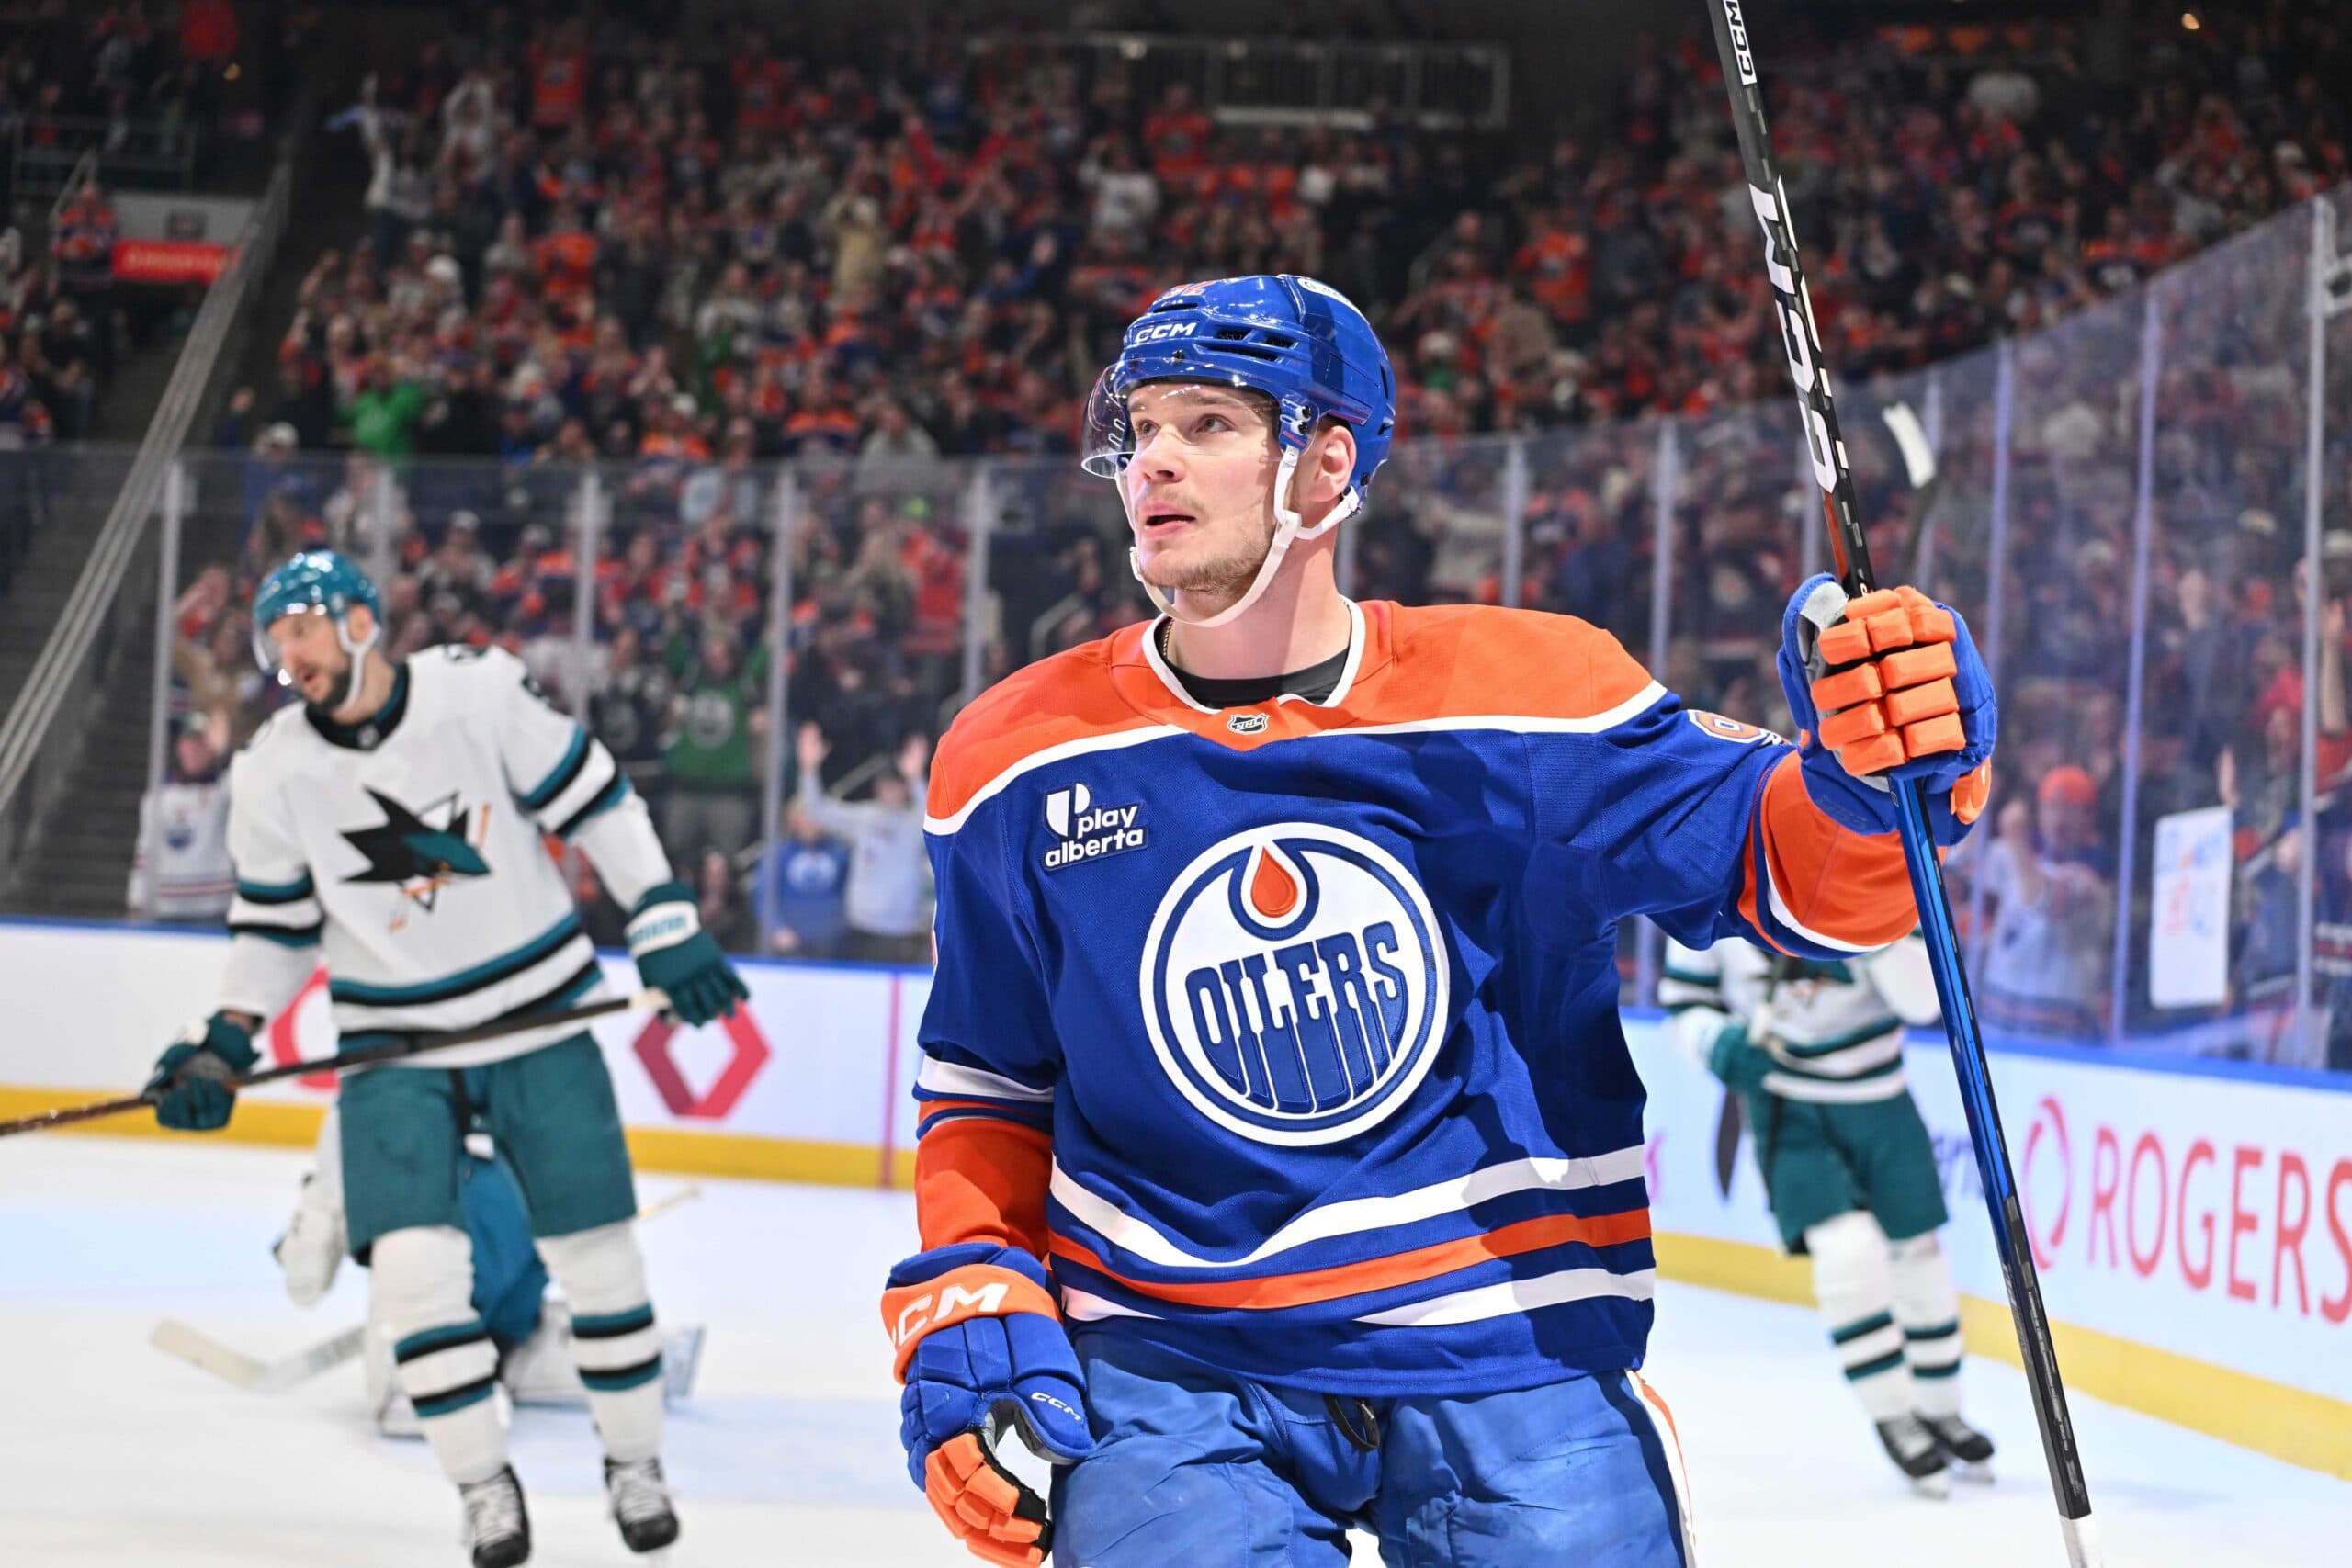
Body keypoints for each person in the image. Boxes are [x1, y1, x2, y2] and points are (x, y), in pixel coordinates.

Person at [884, 274, 1996, 1568]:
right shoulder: (1017, 756)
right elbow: (986, 1079)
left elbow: (1795, 877)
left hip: (1511, 1343)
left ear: (1327, 462)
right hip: (1171, 1356)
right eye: (1140, 428)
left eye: (1208, 422)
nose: (1154, 461)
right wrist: (978, 1273)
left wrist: (1880, 777)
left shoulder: (1533, 703)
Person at [144, 550, 749, 1567]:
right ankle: (481, 1487)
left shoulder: (474, 693)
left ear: (362, 624)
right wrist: (227, 1035)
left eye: (303, 627)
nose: (286, 652)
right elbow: (277, 926)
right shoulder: (273, 766)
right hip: (394, 1043)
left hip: (537, 1016)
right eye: (274, 636)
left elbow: (595, 798)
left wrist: (663, 913)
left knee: (599, 1260)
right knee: (416, 1279)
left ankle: (634, 1462)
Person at [1658, 933, 1996, 1494]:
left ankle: (1942, 1406)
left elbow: (1923, 1001)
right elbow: (1683, 1006)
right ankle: (1893, 1412)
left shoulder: (1874, 865)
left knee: (1917, 1249)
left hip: (1880, 1096)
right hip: (1786, 1102)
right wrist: (1718, 1043)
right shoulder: (1711, 865)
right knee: (1846, 1249)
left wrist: (1865, 930)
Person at [274, 1107, 707, 1438]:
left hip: (479, 1247)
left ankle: (481, 1356)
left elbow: (305, 1281)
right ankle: (437, 1346)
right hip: (487, 1251)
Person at [794, 726, 932, 964]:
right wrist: (808, 770)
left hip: (901, 931)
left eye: (896, 784)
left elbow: (935, 818)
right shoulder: (863, 817)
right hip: (861, 927)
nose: (889, 790)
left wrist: (917, 778)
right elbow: (816, 811)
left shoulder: (914, 823)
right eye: (885, 784)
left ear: (905, 788)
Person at [127, 716, 234, 922]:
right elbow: (146, 850)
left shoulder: (223, 792)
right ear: (180, 748)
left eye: (202, 744)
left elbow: (245, 772)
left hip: (216, 908)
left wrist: (225, 750)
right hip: (166, 909)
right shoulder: (157, 798)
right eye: (190, 743)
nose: (195, 750)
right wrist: (136, 899)